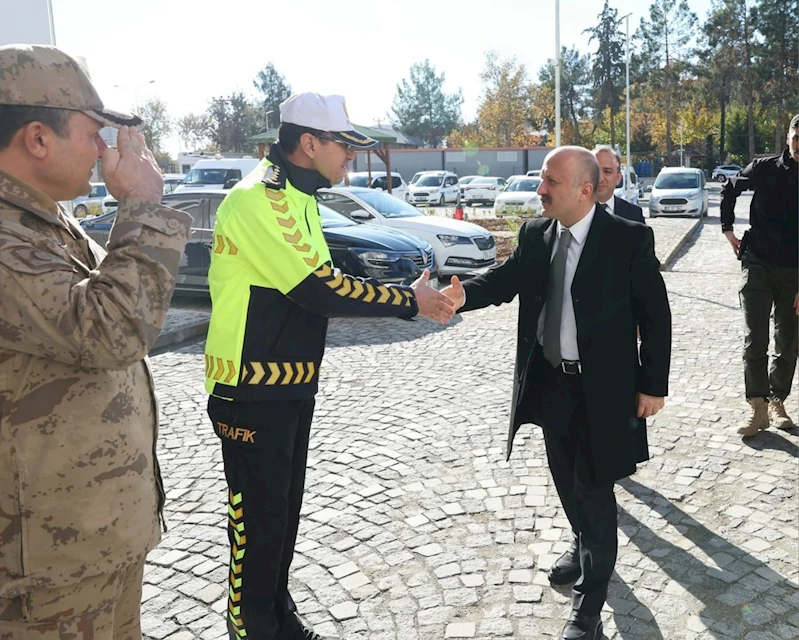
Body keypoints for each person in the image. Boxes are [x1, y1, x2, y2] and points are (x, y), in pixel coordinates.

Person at [203, 92, 457, 640]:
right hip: (248, 391)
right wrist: (409, 301)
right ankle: (250, 629)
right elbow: (318, 290)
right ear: (308, 143)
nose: (351, 156)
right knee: (256, 529)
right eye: (343, 145)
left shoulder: (300, 198)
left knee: (283, 519)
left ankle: (279, 619)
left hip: (288, 386)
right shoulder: (258, 199)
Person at [440, 146, 672, 640]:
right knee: (566, 480)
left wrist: (653, 384)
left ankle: (589, 605)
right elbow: (506, 281)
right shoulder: (535, 234)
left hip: (603, 391)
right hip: (551, 385)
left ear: (585, 191)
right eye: (541, 179)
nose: (539, 190)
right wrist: (463, 295)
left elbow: (655, 315)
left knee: (593, 488)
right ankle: (582, 541)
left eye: (550, 182)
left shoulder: (628, 239)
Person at [0, 45, 192, 639]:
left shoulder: (42, 217)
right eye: (94, 133)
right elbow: (111, 330)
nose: (103, 150)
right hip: (44, 564)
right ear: (38, 138)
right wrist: (141, 206)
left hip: (83, 537)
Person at [721, 114, 799, 436]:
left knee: (788, 341)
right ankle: (757, 407)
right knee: (755, 338)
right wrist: (728, 230)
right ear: (788, 136)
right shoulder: (764, 168)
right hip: (757, 264)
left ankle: (777, 400)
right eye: (797, 136)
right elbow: (730, 188)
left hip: (795, 272)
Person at [592, 145, 645, 223]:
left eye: (607, 172)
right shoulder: (571, 213)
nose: (600, 179)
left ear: (618, 178)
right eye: (595, 171)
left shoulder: (634, 214)